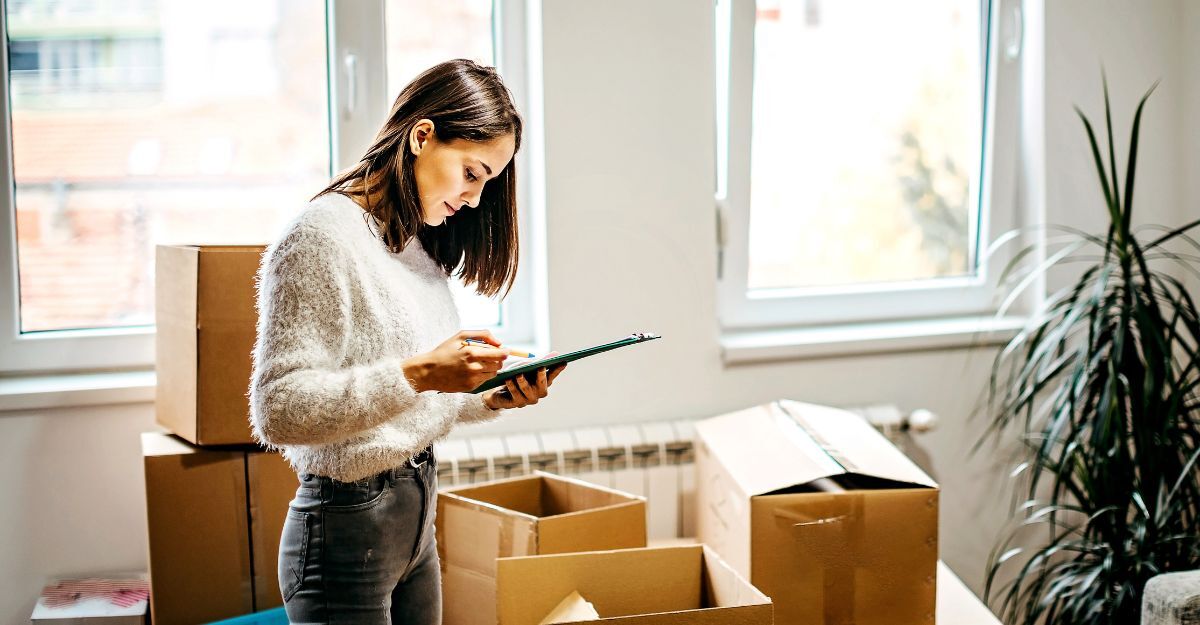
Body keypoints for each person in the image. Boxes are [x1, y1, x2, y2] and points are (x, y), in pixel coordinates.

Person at [248, 58, 565, 624]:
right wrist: (421, 372)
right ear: (423, 136)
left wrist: (485, 393)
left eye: (487, 182)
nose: (474, 198)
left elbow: (409, 403)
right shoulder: (320, 237)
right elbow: (278, 410)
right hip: (347, 527)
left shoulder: (413, 244)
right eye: (472, 172)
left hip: (415, 512)